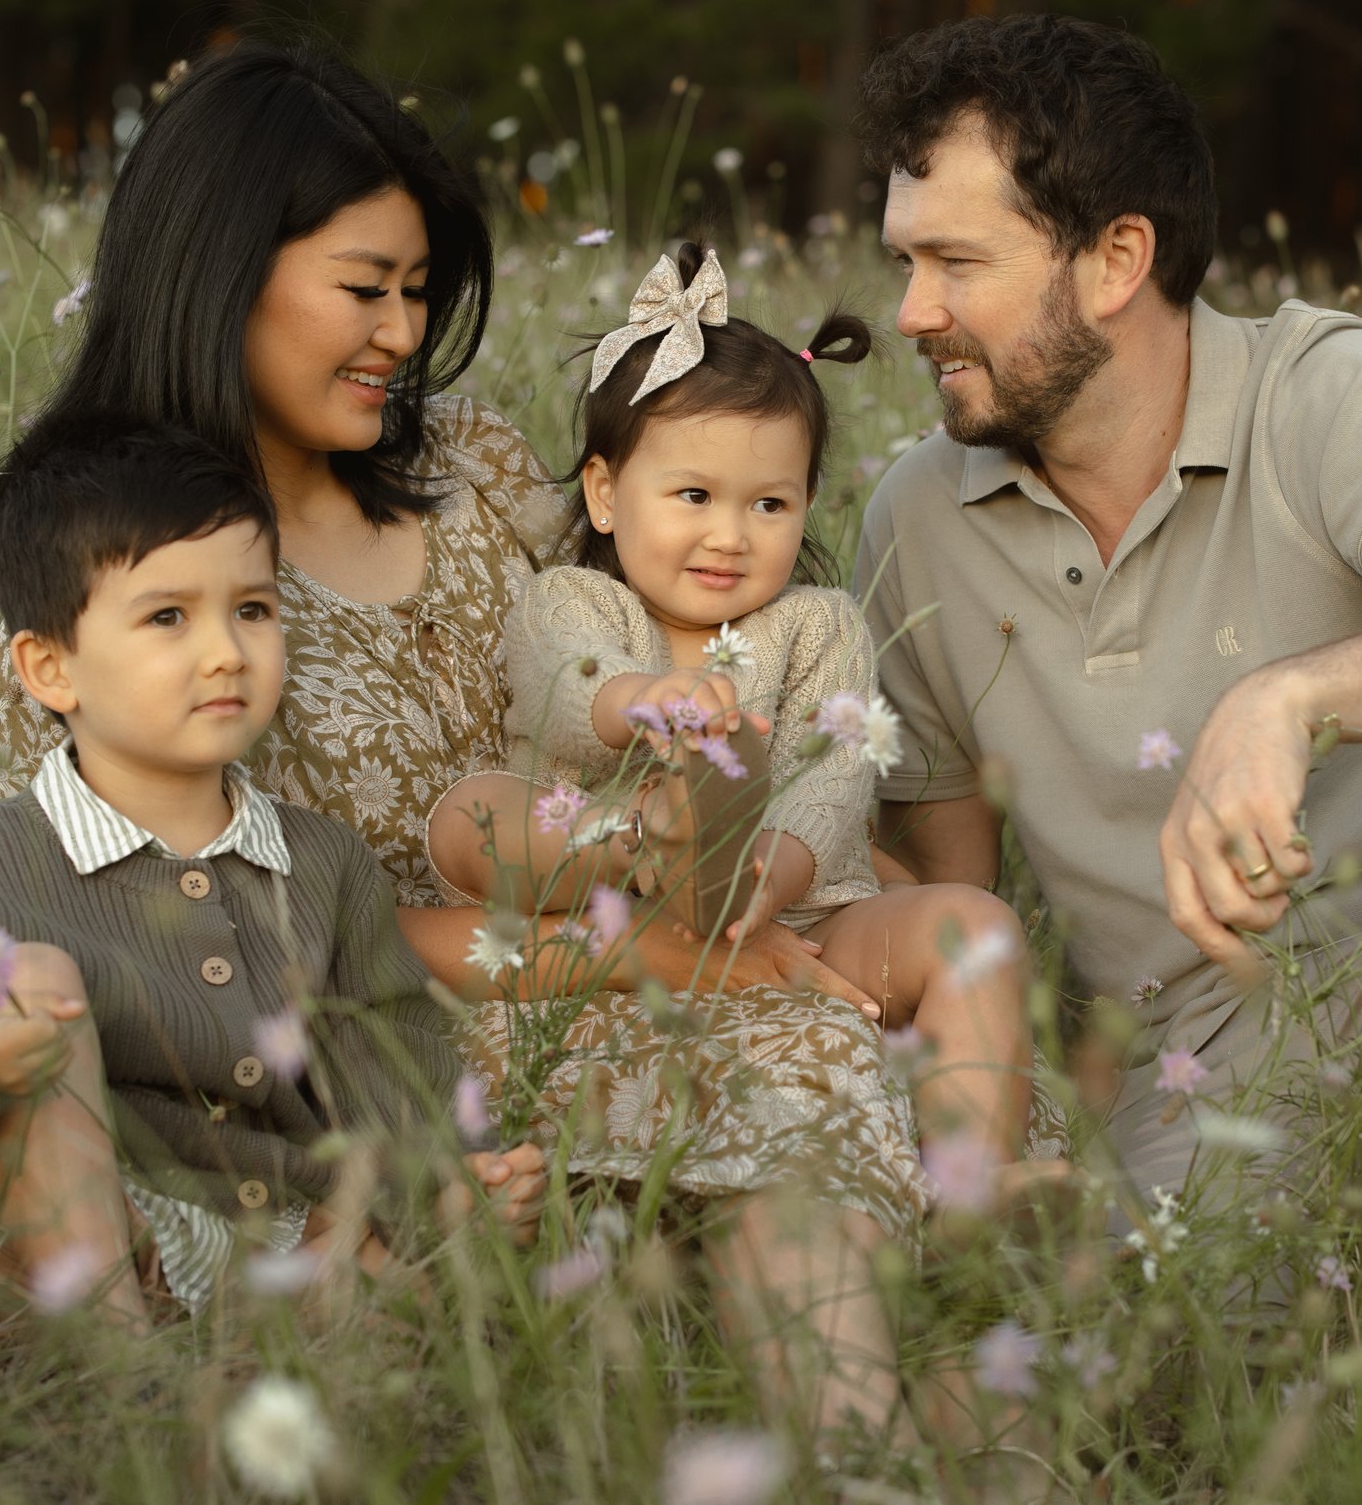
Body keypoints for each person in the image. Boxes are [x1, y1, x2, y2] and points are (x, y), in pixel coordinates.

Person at [0, 38, 957, 1441]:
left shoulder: (477, 470)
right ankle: (852, 1417)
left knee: (875, 1007)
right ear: (219, 270)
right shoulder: (116, 567)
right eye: (365, 288)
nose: (402, 330)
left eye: (418, 291)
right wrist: (634, 952)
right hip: (392, 1019)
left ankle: (860, 1428)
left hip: (648, 926)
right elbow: (180, 935)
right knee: (767, 1045)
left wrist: (767, 844)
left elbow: (666, 637)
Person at [852, 14, 1362, 1475]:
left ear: (1115, 261)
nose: (915, 309)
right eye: (905, 262)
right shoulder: (915, 516)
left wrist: (1282, 698)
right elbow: (955, 912)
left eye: (957, 262)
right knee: (1065, 1416)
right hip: (1211, 1097)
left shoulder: (1328, 386)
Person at [0, 425, 545, 1326]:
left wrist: (462, 1184)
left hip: (272, 1238)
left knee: (427, 1286)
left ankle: (229, 1372)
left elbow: (393, 1068)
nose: (226, 650)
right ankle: (121, 1378)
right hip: (70, 1205)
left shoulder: (322, 865)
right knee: (34, 982)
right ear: (50, 667)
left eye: (253, 610)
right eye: (167, 617)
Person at [428, 241, 1055, 1179]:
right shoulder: (575, 600)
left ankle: (975, 1186)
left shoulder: (817, 624)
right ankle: (670, 832)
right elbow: (563, 692)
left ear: (807, 502)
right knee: (470, 810)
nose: (730, 534)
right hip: (600, 880)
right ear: (605, 493)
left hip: (798, 910)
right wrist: (638, 700)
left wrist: (771, 875)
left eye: (769, 503)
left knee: (976, 925)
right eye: (693, 495)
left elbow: (835, 778)